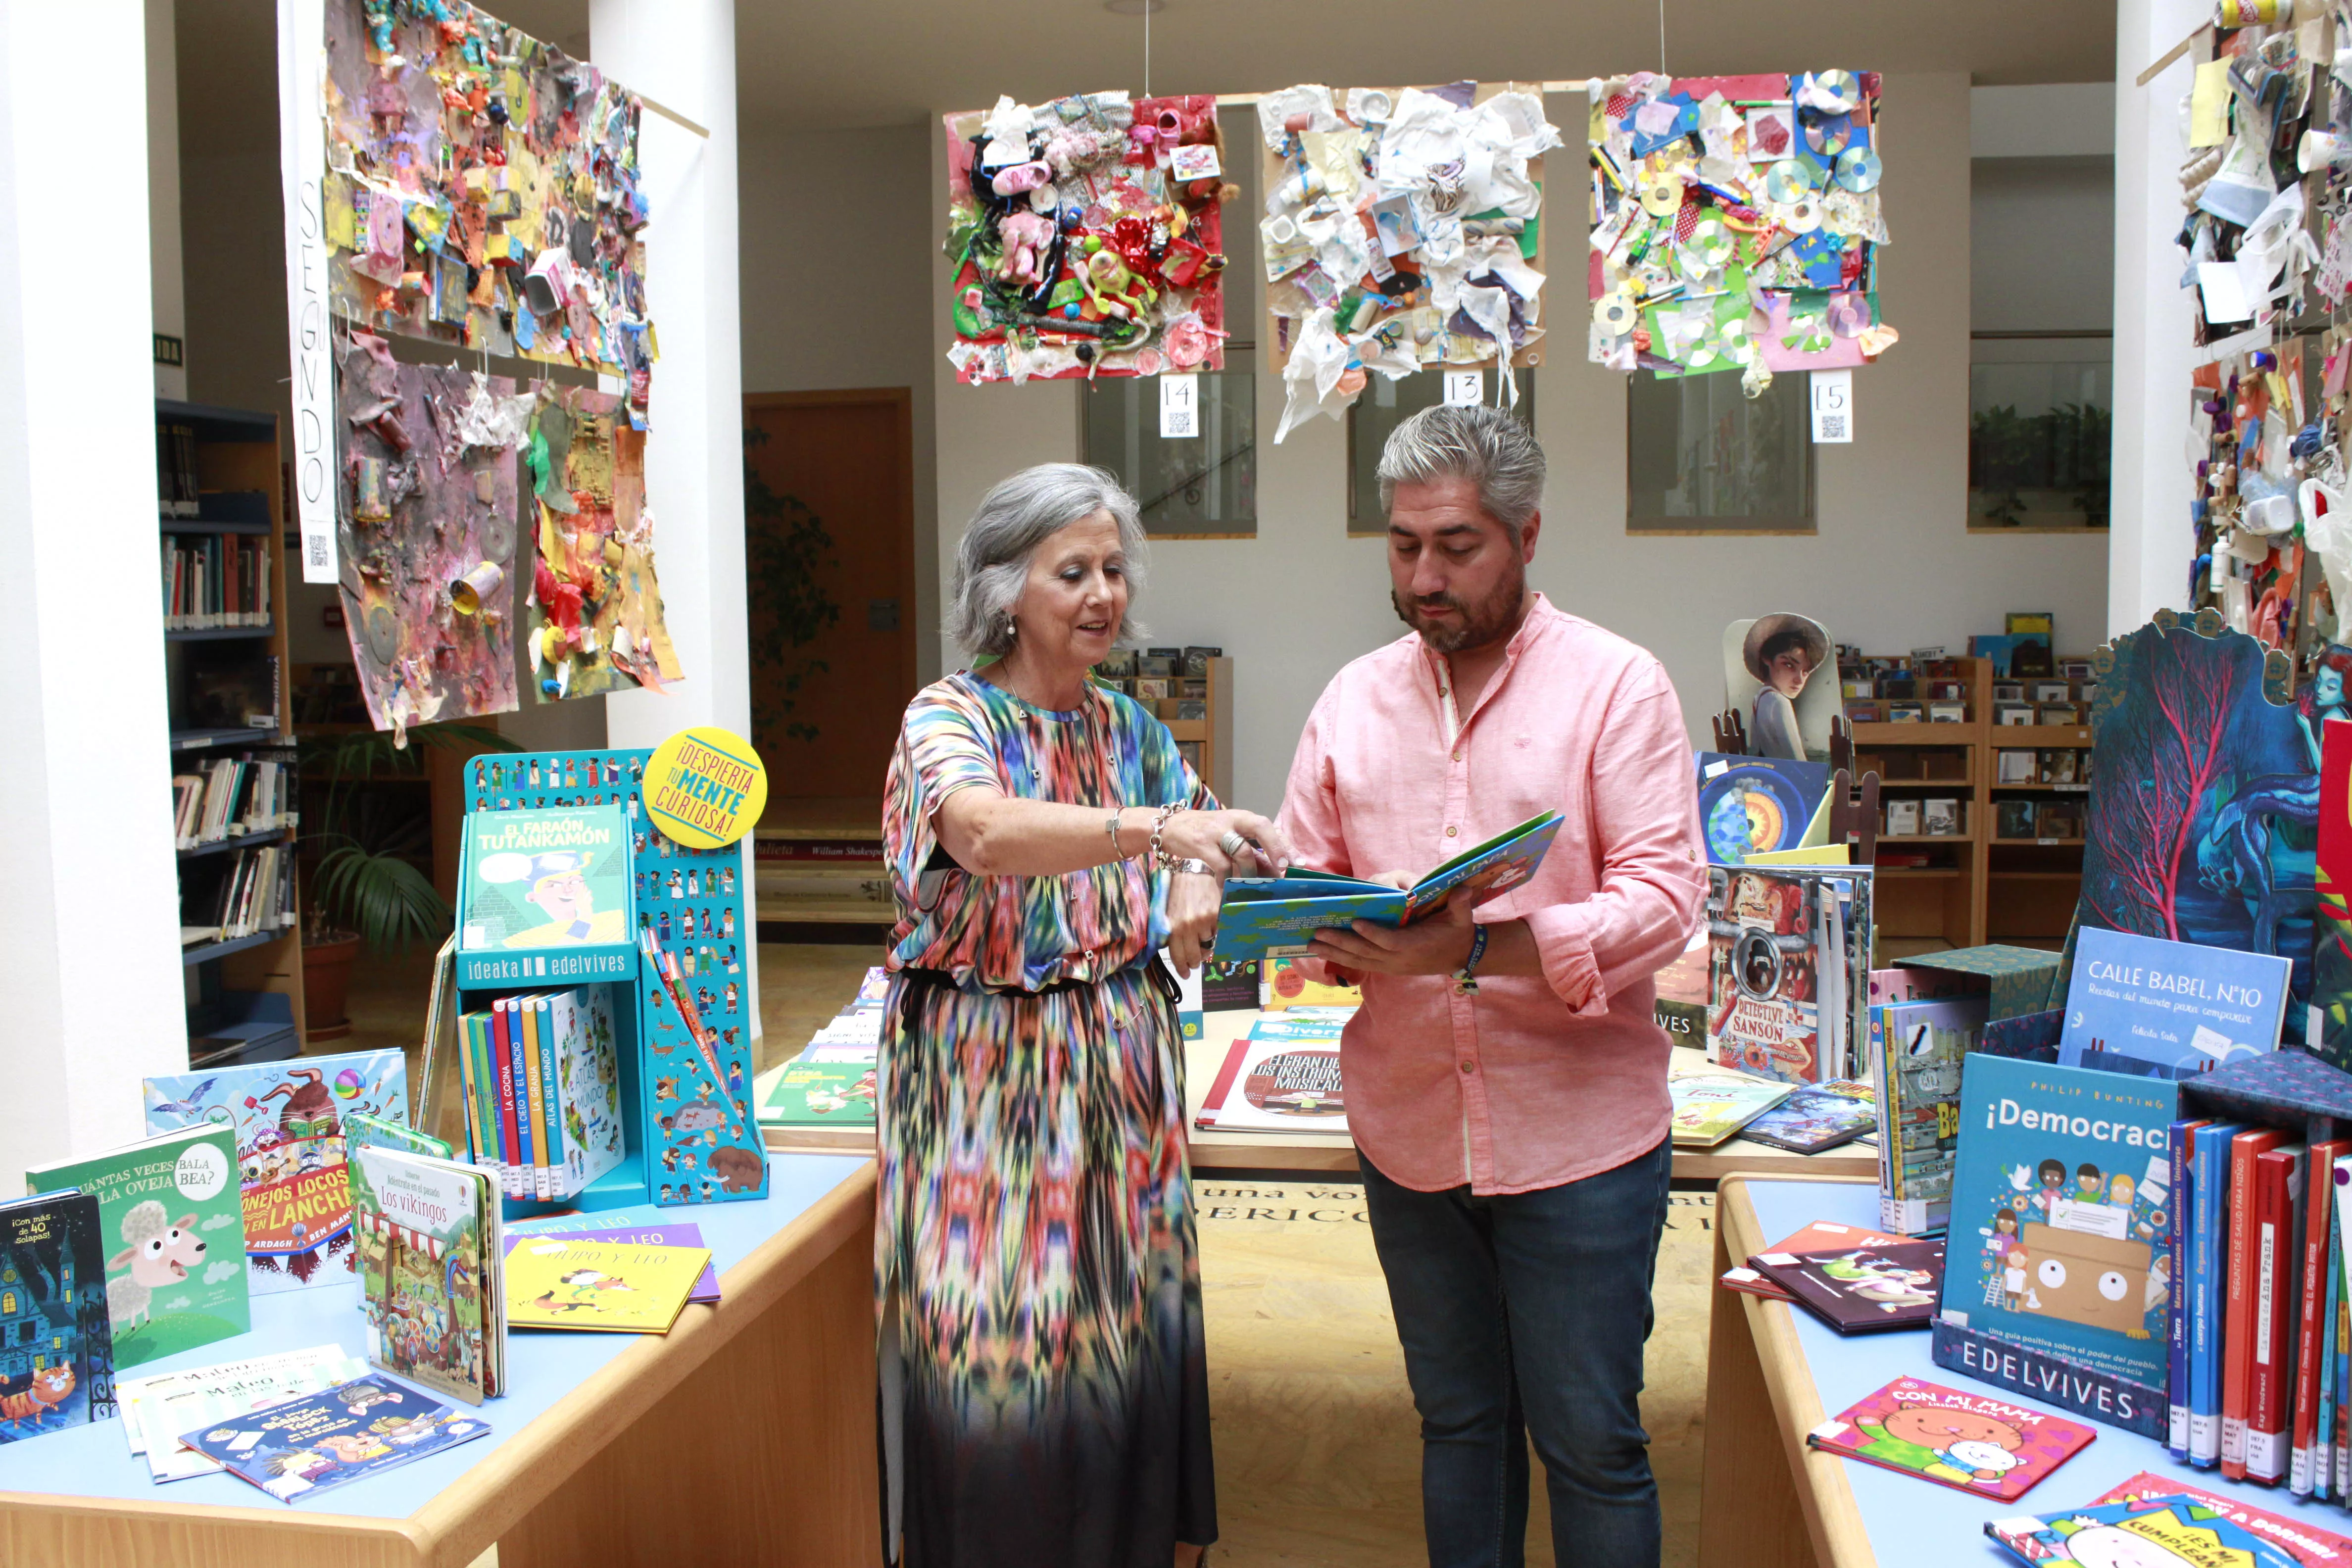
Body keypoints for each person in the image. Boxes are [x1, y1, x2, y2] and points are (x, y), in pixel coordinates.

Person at [1277, 405, 1704, 1568]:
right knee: (1458, 1425)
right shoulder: (1350, 700)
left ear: (1524, 532)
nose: (1424, 576)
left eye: (1455, 546)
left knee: (1589, 1442)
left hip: (1578, 1136)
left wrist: (1468, 948)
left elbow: (1665, 900)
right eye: (1402, 545)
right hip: (1407, 1127)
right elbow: (1301, 881)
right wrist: (1299, 923)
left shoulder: (1616, 684)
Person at [877, 463, 1293, 1568]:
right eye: (1074, 572)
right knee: (1000, 1345)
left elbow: (1204, 836)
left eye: (1115, 569)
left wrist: (1205, 879)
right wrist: (1159, 836)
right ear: (1008, 590)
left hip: (1119, 1068)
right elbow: (984, 834)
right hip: (988, 1076)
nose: (1105, 593)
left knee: (1119, 1329)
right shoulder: (948, 716)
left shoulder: (1130, 726)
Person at [1742, 613, 1829, 761]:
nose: (1799, 680)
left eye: (1806, 672)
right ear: (1767, 659)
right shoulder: (1778, 701)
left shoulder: (1761, 698)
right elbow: (1797, 759)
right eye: (1789, 665)